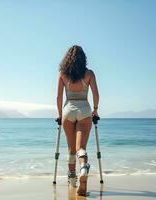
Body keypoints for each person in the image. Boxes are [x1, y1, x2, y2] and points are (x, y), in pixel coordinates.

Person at [56, 45, 99, 196]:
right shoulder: (89, 74)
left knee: (70, 149)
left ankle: (73, 181)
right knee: (81, 148)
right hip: (84, 111)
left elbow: (59, 97)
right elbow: (96, 94)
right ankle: (83, 168)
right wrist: (95, 109)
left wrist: (60, 115)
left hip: (68, 111)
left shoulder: (62, 74)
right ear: (83, 58)